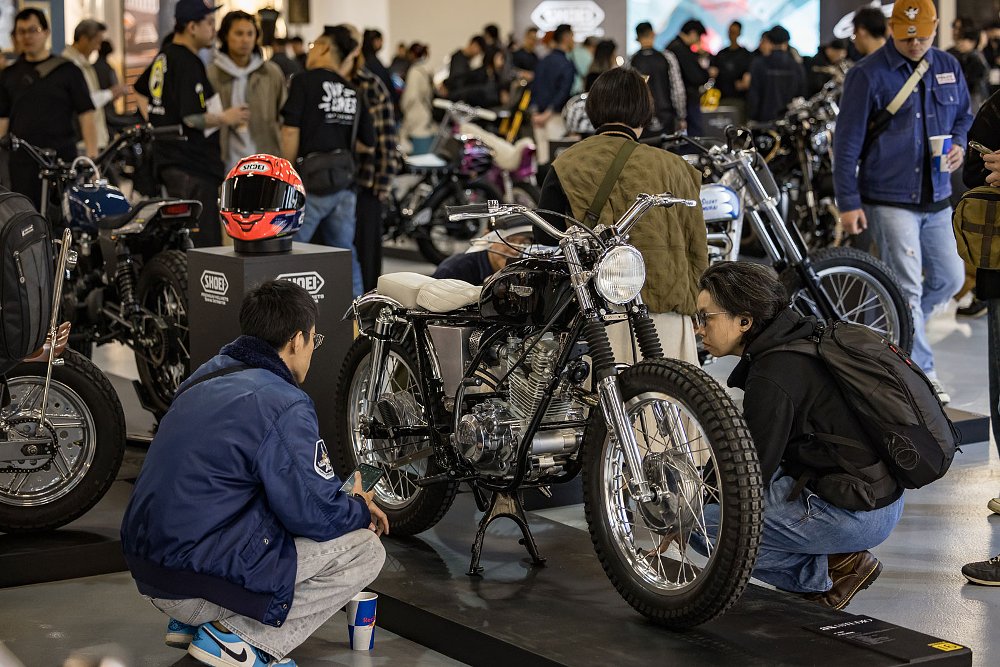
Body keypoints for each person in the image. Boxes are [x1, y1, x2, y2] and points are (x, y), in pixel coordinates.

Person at [121, 280, 388, 667]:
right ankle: (242, 641)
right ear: (297, 341)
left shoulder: (206, 376)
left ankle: (194, 625)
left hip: (149, 567)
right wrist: (359, 509)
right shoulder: (283, 402)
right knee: (365, 550)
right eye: (315, 340)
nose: (313, 349)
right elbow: (315, 515)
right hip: (192, 581)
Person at [691, 261, 904, 608]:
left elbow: (749, 474)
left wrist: (691, 503)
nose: (699, 329)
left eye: (706, 317)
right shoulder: (801, 336)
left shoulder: (773, 373)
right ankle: (834, 561)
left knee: (699, 525)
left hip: (858, 513)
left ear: (744, 321)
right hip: (877, 493)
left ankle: (832, 569)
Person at [833, 0, 971, 404]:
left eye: (924, 37)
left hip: (938, 195)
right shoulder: (866, 74)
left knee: (951, 279)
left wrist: (960, 144)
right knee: (907, 287)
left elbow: (963, 116)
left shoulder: (948, 66)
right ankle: (924, 373)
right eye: (907, 37)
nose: (915, 45)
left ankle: (888, 336)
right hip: (888, 199)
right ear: (893, 29)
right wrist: (848, 201)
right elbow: (846, 145)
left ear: (936, 28)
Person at [538, 67, 707, 364]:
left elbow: (545, 236)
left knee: (605, 405)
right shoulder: (678, 168)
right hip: (668, 316)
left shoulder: (567, 163)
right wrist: (697, 306)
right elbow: (697, 248)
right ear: (644, 113)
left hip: (597, 320)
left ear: (592, 111)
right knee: (667, 402)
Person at [135, 0, 248, 247]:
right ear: (192, 27)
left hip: (171, 161)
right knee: (201, 243)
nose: (213, 30)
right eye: (209, 23)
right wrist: (226, 117)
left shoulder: (164, 55)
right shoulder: (187, 61)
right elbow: (191, 117)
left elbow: (141, 90)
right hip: (191, 166)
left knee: (183, 238)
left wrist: (156, 123)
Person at [282, 26, 374, 298]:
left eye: (312, 46)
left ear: (323, 47)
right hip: (345, 184)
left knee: (288, 251)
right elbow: (367, 143)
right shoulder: (352, 90)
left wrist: (287, 176)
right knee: (345, 251)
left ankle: (283, 315)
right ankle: (358, 314)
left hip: (309, 184)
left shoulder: (303, 81)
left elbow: (289, 131)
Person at [0, 8, 97, 210]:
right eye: (21, 31)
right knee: (26, 222)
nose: (27, 36)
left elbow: (86, 115)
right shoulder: (8, 75)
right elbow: (3, 120)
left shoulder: (68, 71)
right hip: (21, 164)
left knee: (63, 221)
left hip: (61, 162)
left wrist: (92, 156)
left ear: (46, 32)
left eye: (33, 29)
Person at [344, 23, 399, 294]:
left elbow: (387, 139)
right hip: (335, 184)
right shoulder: (327, 82)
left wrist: (383, 183)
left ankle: (367, 313)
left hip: (367, 183)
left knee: (367, 257)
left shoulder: (370, 84)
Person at [207, 11, 286, 172]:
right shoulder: (212, 74)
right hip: (224, 160)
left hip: (265, 157)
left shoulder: (270, 73)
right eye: (239, 33)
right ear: (225, 36)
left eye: (250, 34)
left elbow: (283, 115)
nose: (245, 40)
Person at [63, 19, 129, 152]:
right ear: (83, 39)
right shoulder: (69, 66)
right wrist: (111, 93)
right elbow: (84, 102)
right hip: (82, 143)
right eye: (96, 42)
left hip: (93, 140)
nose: (98, 47)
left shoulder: (83, 64)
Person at [531, 23, 575, 164]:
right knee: (557, 160)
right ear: (566, 38)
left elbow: (534, 88)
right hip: (554, 117)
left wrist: (535, 113)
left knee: (542, 158)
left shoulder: (542, 61)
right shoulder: (566, 64)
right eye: (572, 36)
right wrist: (548, 113)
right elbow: (563, 92)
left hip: (538, 116)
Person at [631, 21, 685, 133]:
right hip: (666, 115)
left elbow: (628, 93)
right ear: (653, 34)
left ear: (637, 37)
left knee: (642, 150)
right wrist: (681, 116)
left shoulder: (631, 61)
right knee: (667, 149)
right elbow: (677, 89)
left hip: (641, 119)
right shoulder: (667, 57)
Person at [432, 226, 533, 284]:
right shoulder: (453, 271)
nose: (515, 250)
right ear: (488, 236)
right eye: (508, 240)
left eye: (525, 243)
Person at [747, 25, 806, 122]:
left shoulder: (758, 64)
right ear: (787, 42)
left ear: (770, 41)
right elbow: (801, 95)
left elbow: (754, 95)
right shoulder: (796, 66)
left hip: (764, 121)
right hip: (789, 122)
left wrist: (752, 117)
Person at [667, 20, 709, 136]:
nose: (699, 40)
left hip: (680, 102)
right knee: (694, 139)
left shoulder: (673, 46)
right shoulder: (680, 50)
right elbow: (696, 77)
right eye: (699, 36)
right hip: (686, 101)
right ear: (693, 33)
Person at [710, 21, 752, 119]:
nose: (731, 35)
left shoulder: (746, 55)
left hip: (739, 100)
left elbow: (748, 79)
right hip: (722, 99)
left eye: (734, 32)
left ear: (739, 33)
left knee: (739, 129)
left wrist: (743, 83)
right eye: (730, 32)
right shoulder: (721, 54)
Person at [399, 43, 435, 155]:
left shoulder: (414, 72)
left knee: (416, 159)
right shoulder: (427, 70)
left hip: (415, 118)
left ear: (412, 54)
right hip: (426, 116)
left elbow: (410, 96)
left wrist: (403, 107)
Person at [952, 26, 989, 111]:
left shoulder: (975, 58)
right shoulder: (966, 57)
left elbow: (973, 79)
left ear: (972, 42)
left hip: (974, 97)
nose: (960, 43)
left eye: (963, 40)